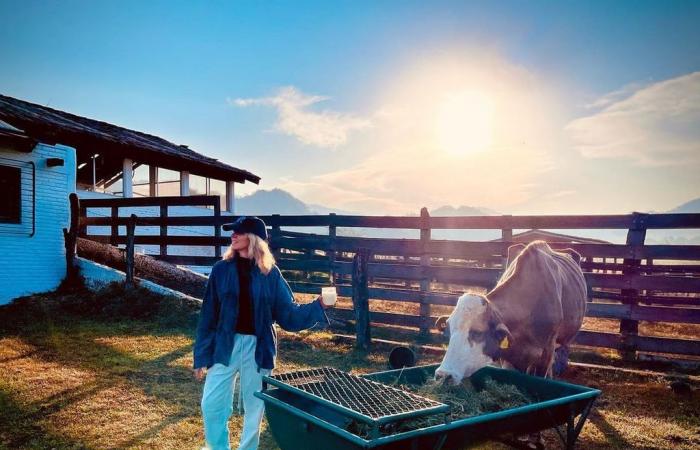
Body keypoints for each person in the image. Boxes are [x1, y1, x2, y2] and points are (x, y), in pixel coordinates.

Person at [192, 216, 332, 450]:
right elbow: (208, 315)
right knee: (212, 404)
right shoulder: (220, 270)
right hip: (225, 345)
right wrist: (201, 356)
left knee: (254, 408)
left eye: (239, 232)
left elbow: (288, 314)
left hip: (259, 348)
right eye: (232, 232)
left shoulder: (271, 274)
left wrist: (318, 306)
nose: (233, 235)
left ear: (254, 239)